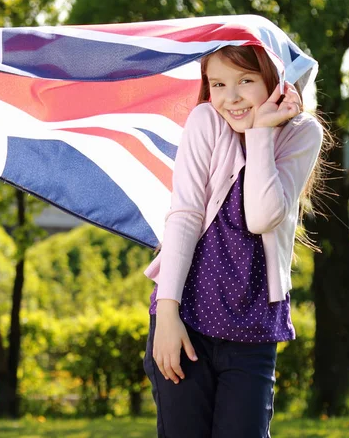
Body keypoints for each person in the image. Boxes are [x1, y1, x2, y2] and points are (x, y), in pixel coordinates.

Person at [142, 43, 325, 438]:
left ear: (277, 81)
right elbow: (186, 214)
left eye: (246, 80)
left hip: (252, 323)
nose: (231, 97)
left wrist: (261, 132)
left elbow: (262, 217)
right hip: (186, 314)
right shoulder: (205, 120)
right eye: (218, 84)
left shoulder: (302, 133)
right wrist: (167, 315)